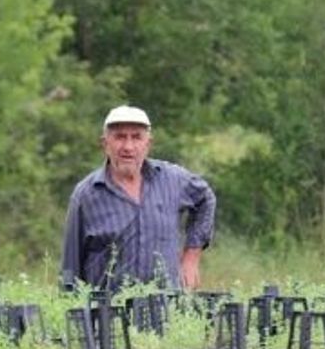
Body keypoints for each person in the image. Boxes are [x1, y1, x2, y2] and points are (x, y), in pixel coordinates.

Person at [61, 105, 216, 292]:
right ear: (105, 144)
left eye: (136, 137)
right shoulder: (86, 195)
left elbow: (205, 198)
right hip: (107, 315)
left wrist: (191, 257)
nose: (128, 147)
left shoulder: (172, 179)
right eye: (120, 137)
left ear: (148, 144)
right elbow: (70, 270)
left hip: (167, 312)